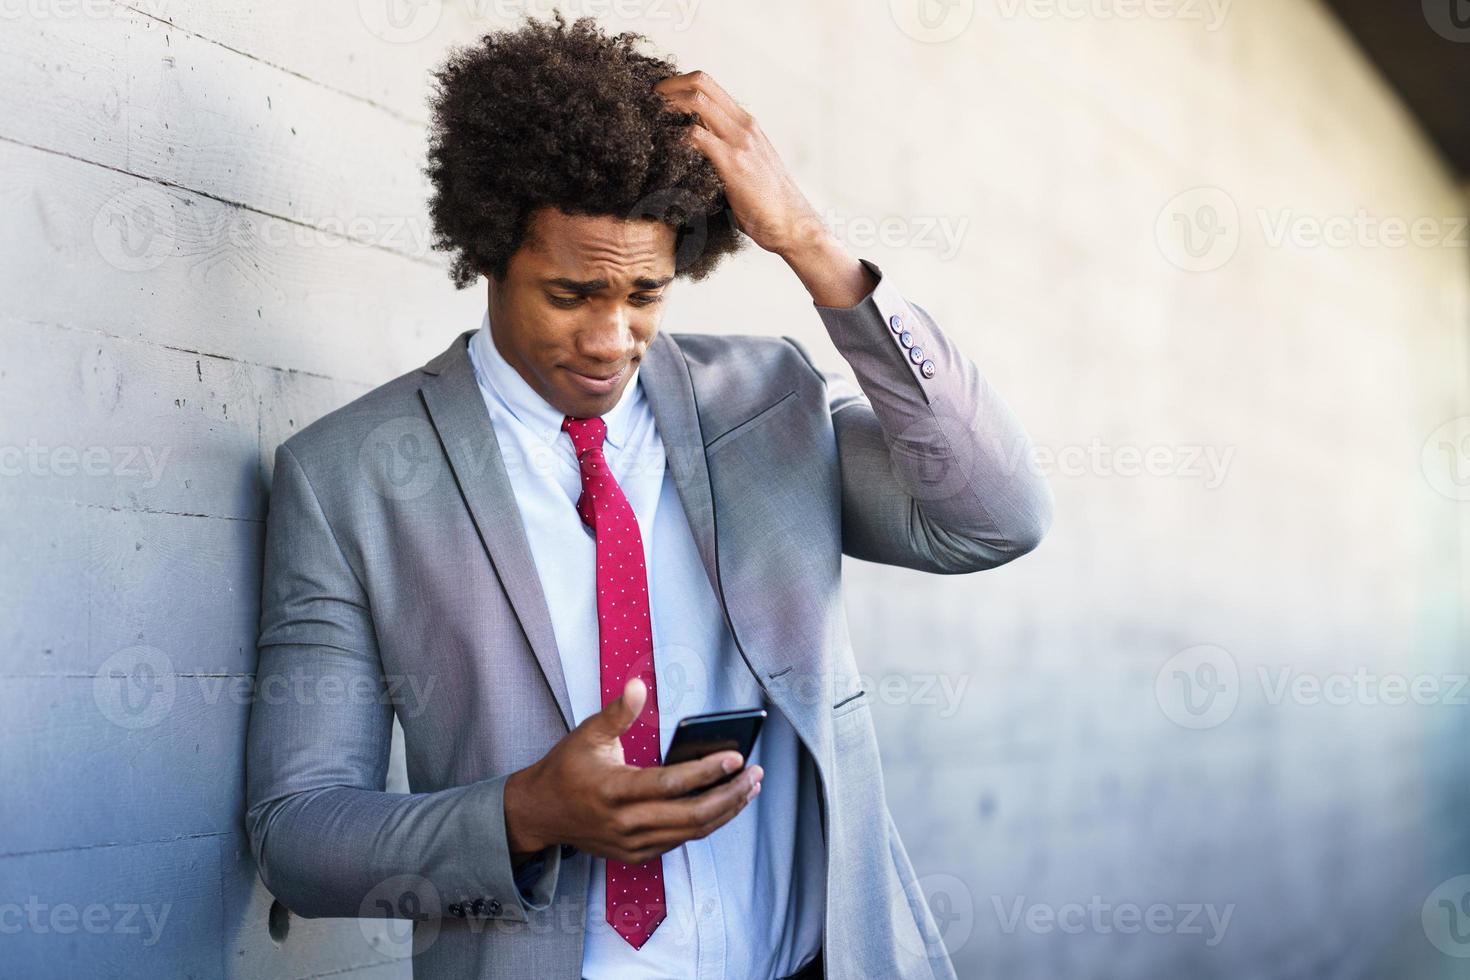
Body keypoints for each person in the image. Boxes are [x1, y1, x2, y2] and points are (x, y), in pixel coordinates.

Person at [245, 13, 1052, 980]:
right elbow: (297, 833)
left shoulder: (770, 406)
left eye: (646, 296)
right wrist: (525, 814)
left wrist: (811, 246)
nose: (611, 338)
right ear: (488, 252)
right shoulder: (351, 477)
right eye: (571, 294)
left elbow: (994, 518)